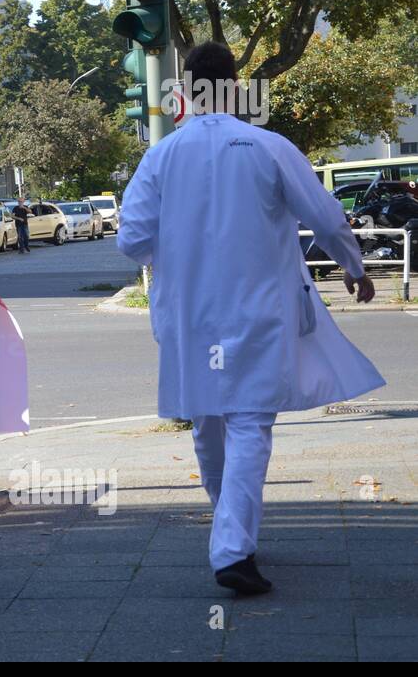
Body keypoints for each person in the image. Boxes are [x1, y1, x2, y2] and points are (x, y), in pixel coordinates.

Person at [117, 41, 384, 595]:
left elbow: (132, 240)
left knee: (209, 421)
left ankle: (231, 535)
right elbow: (327, 218)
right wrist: (354, 268)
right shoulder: (269, 147)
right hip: (260, 310)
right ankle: (233, 545)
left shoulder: (161, 156)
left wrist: (179, 257)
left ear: (184, 91)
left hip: (188, 315)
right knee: (250, 423)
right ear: (235, 89)